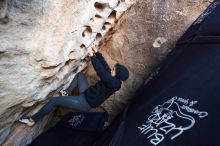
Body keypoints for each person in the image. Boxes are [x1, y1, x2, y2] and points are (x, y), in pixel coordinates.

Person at [19, 46, 129, 126]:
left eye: (114, 69)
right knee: (80, 75)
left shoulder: (114, 83)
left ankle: (32, 120)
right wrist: (97, 53)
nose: (112, 69)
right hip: (87, 93)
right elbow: (105, 67)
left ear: (117, 74)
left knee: (53, 101)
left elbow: (101, 72)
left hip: (84, 103)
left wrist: (92, 57)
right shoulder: (114, 79)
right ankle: (66, 92)